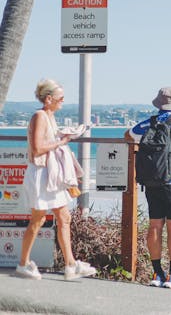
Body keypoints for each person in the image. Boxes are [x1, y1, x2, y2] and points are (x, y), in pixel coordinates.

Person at [17, 79, 97, 281]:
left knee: (64, 217)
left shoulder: (49, 117)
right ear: (49, 98)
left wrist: (62, 138)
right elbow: (37, 148)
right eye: (60, 98)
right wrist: (61, 142)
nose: (62, 102)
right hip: (41, 173)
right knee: (38, 219)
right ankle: (23, 263)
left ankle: (70, 265)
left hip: (50, 174)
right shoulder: (40, 116)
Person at [125, 87, 171, 290]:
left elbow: (128, 135)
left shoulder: (149, 123)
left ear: (158, 103)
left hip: (153, 181)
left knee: (155, 224)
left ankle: (157, 273)